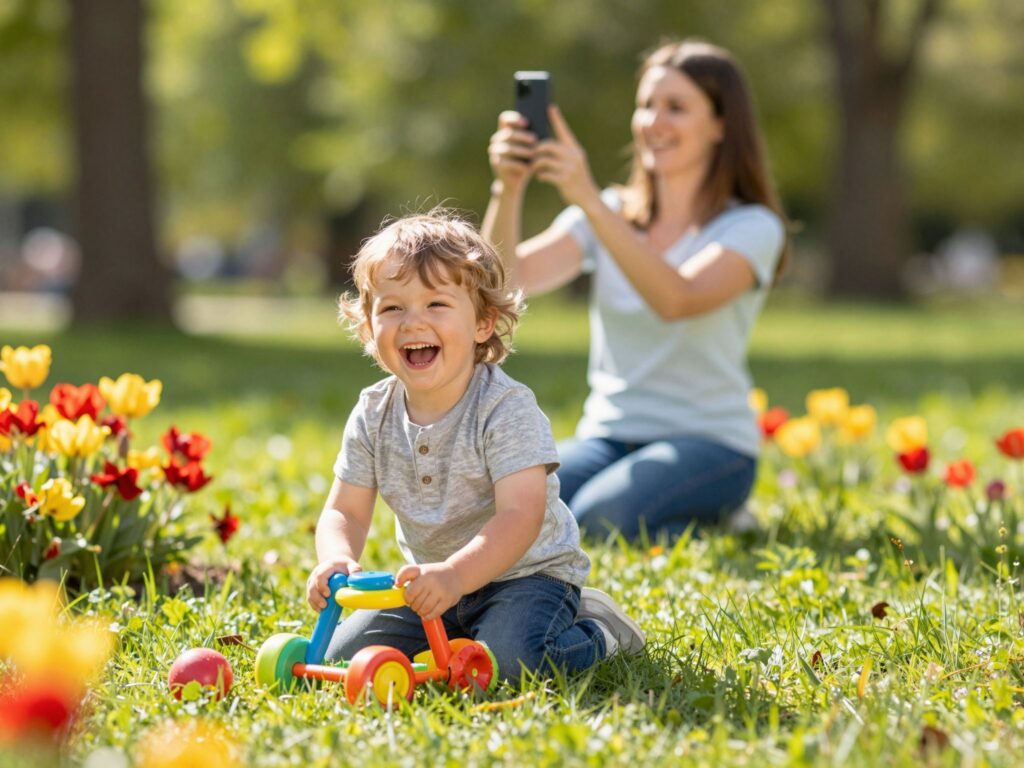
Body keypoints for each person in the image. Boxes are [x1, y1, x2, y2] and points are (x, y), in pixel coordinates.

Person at [306, 211, 645, 684]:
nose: (412, 322)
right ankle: (455, 636)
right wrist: (335, 557)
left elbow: (519, 516)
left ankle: (598, 632)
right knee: (342, 658)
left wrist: (455, 575)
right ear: (368, 327)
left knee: (511, 662)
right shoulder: (373, 412)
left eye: (437, 304)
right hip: (432, 585)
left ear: (484, 323)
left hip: (526, 577)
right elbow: (346, 510)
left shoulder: (505, 409)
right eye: (392, 308)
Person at [482, 39, 790, 541]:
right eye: (647, 105)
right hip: (608, 434)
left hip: (710, 443)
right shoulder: (607, 212)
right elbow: (503, 283)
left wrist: (588, 200)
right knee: (510, 511)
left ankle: (718, 516)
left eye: (676, 107)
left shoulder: (752, 227)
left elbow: (677, 299)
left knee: (600, 519)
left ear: (721, 125)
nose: (653, 121)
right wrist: (508, 188)